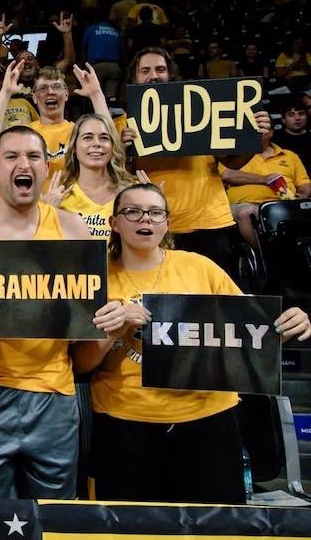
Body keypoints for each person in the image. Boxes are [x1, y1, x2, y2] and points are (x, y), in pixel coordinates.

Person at [73, 183, 311, 503]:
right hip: (125, 425)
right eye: (132, 211)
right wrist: (113, 330)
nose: (146, 219)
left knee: (214, 537)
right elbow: (81, 365)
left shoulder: (199, 266)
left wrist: (287, 325)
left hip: (208, 420)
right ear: (114, 222)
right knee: (132, 539)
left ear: (167, 222)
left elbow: (251, 335)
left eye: (156, 213)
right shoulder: (95, 277)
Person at [0, 125, 124, 499]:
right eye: (11, 156)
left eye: (32, 156)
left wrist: (108, 324)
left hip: (54, 396)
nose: (22, 164)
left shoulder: (73, 228)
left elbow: (84, 337)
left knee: (52, 520)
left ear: (47, 167)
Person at [125, 47, 269, 273]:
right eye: (145, 70)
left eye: (160, 69)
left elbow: (232, 163)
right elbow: (120, 175)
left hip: (210, 223)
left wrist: (256, 140)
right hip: (155, 224)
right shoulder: (124, 124)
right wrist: (123, 150)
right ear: (134, 77)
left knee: (214, 302)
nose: (153, 75)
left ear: (170, 74)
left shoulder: (202, 109)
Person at [0, 61, 112, 180]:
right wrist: (5, 93)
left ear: (67, 94)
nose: (50, 92)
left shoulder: (79, 131)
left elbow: (111, 141)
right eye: (43, 88)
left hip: (74, 200)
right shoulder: (25, 133)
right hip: (35, 201)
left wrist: (96, 95)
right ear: (34, 97)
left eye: (57, 87)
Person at [43, 113, 139, 242]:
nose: (97, 143)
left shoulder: (133, 192)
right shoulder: (58, 197)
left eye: (104, 138)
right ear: (74, 147)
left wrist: (155, 208)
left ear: (112, 146)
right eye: (88, 137)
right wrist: (47, 214)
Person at [221, 120, 311, 247]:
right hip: (247, 204)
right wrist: (264, 179)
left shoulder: (290, 156)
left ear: (271, 132)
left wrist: (302, 195)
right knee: (245, 213)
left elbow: (304, 184)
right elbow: (227, 174)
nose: (258, 133)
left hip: (283, 203)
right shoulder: (236, 154)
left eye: (262, 129)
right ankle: (265, 253)